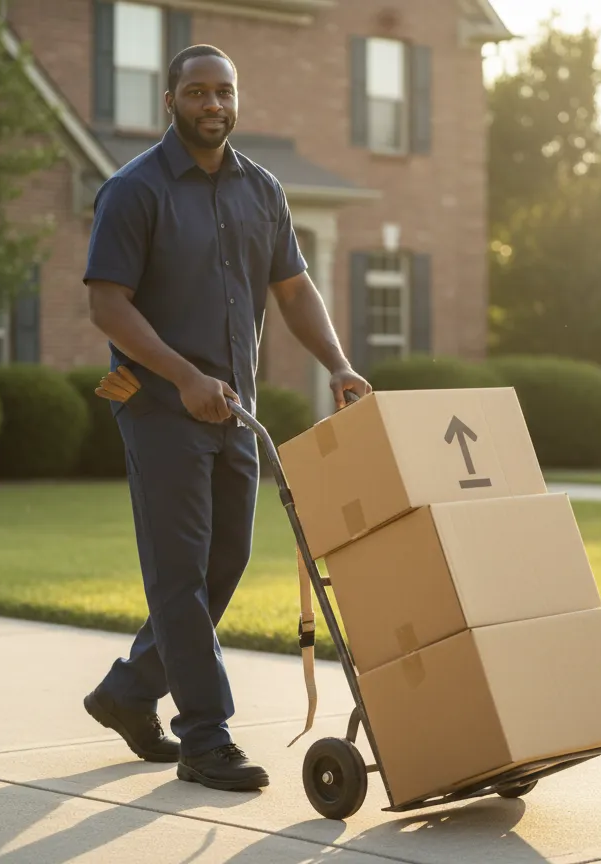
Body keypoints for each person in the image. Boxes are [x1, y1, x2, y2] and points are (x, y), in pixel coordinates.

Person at [80, 44, 371, 792]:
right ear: (170, 101)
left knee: (224, 562)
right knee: (179, 574)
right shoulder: (134, 190)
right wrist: (182, 376)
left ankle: (128, 692)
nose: (213, 104)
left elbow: (294, 289)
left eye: (224, 92)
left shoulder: (262, 190)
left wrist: (337, 364)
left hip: (235, 412)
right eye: (198, 92)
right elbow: (107, 304)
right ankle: (205, 738)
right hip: (157, 407)